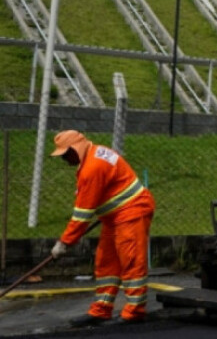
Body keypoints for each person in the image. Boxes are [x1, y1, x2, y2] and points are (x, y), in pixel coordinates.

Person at [50, 130, 155, 326]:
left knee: (131, 261)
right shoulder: (95, 154)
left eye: (65, 154)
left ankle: (134, 312)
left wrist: (64, 243)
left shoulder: (92, 167)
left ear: (76, 149)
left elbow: (82, 215)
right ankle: (101, 310)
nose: (64, 159)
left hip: (132, 212)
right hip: (114, 217)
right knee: (106, 262)